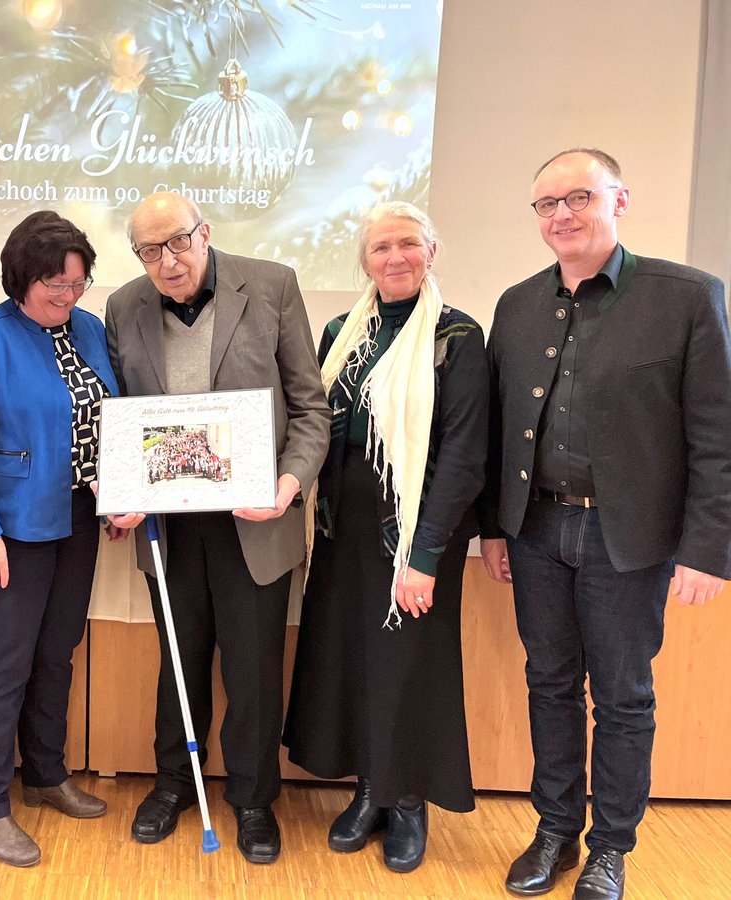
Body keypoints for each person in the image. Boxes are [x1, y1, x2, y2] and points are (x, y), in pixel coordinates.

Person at [481, 148, 731, 900]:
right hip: (535, 532)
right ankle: (554, 830)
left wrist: (709, 548)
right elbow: (498, 430)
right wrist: (493, 527)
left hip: (629, 541)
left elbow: (716, 433)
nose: (561, 214)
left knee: (623, 697)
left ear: (619, 200)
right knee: (549, 683)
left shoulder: (687, 296)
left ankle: (610, 849)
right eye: (547, 204)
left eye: (578, 197)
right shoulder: (516, 304)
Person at [104, 191, 331, 864]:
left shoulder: (271, 286)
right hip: (168, 528)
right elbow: (123, 415)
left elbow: (311, 409)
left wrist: (287, 489)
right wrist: (121, 486)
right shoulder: (123, 306)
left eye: (176, 242)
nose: (166, 261)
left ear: (205, 232)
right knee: (179, 660)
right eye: (149, 250)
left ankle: (255, 800)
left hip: (254, 522)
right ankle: (174, 783)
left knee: (255, 668)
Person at [282, 201, 487, 873]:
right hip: (344, 537)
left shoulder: (456, 337)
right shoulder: (343, 331)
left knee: (406, 669)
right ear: (364, 261)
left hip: (416, 541)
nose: (394, 257)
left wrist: (424, 555)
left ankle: (407, 803)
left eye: (408, 244)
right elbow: (314, 422)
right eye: (380, 248)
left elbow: (461, 457)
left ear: (432, 252)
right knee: (355, 664)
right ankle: (369, 788)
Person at [0, 211, 119, 867]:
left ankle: (46, 776)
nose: (67, 297)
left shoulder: (90, 330)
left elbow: (112, 417)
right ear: (21, 275)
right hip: (6, 528)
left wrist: (120, 489)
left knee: (57, 653)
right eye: (54, 283)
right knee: (5, 664)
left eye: (76, 283)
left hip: (74, 519)